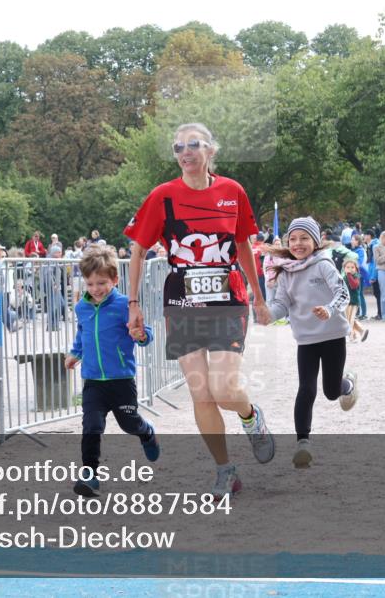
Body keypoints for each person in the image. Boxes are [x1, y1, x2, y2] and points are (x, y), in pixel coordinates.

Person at [124, 122, 274, 499]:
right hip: (182, 302)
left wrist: (258, 296)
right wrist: (134, 304)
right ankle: (226, 470)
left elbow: (242, 246)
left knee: (224, 390)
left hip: (227, 300)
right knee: (201, 394)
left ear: (211, 151)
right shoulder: (163, 197)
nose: (186, 153)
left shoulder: (232, 191)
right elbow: (139, 249)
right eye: (178, 147)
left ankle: (251, 417)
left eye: (194, 145)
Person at [64, 246, 159, 497]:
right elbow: (83, 333)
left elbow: (146, 334)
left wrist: (140, 335)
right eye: (90, 283)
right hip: (93, 381)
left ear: (115, 279)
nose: (96, 289)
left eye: (102, 282)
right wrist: (76, 353)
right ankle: (90, 475)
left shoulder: (124, 305)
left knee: (130, 424)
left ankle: (147, 432)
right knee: (91, 426)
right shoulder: (82, 308)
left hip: (121, 380)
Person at [265, 217, 358, 468]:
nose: (298, 244)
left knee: (330, 391)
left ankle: (346, 383)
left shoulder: (323, 264)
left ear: (315, 241)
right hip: (305, 339)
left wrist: (328, 309)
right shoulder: (286, 272)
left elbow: (343, 293)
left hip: (333, 335)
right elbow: (282, 305)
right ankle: (302, 444)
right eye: (293, 239)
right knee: (306, 389)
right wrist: (266, 316)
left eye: (304, 238)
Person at [342, 257, 369, 343]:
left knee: (350, 319)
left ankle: (352, 336)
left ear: (356, 268)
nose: (350, 269)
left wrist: (349, 275)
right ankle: (361, 331)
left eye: (352, 267)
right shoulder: (344, 277)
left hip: (353, 301)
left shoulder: (356, 276)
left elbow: (354, 285)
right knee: (349, 319)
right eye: (348, 267)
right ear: (344, 268)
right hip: (346, 302)